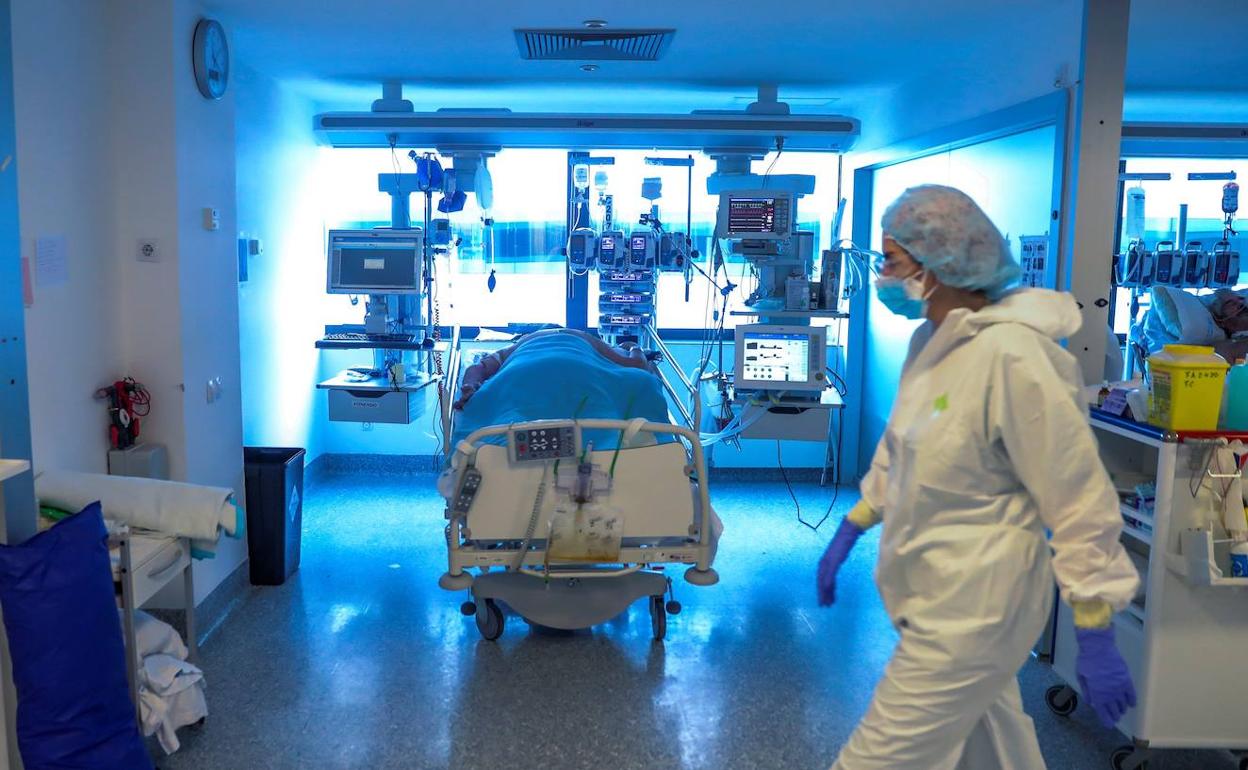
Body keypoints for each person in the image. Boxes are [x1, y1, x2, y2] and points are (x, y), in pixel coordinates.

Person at [817, 185, 1140, 769]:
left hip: (977, 604)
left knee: (874, 759)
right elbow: (903, 447)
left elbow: (1076, 494)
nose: (882, 276)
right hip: (933, 585)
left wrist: (1094, 624)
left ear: (940, 263)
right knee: (994, 744)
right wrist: (854, 523)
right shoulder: (932, 341)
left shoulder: (1017, 358)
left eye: (892, 260)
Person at [454, 328, 654, 410]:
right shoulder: (584, 337)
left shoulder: (517, 345)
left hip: (524, 373)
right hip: (581, 371)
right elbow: (637, 366)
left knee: (511, 407)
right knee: (641, 382)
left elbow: (478, 368)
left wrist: (470, 386)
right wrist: (633, 347)